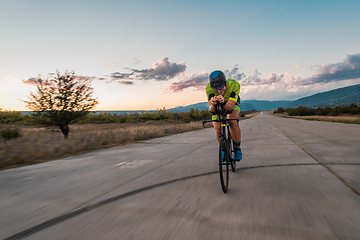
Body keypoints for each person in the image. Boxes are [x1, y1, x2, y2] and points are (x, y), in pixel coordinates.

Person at [206, 70, 242, 161]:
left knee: (232, 121)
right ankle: (223, 150)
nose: (218, 90)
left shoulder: (234, 85)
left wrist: (224, 102)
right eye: (215, 88)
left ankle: (237, 149)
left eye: (221, 86)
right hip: (218, 104)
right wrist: (213, 104)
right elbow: (212, 110)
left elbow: (230, 108)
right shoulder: (208, 88)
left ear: (225, 83)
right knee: (217, 127)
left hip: (231, 103)